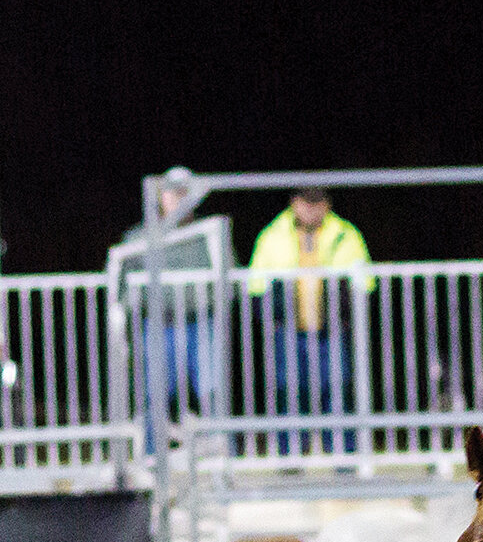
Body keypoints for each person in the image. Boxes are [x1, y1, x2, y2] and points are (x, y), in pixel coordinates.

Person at [113, 166, 234, 452]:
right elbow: (123, 283)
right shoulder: (138, 237)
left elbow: (230, 279)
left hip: (200, 322)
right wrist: (129, 312)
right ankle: (152, 459)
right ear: (160, 196)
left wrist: (208, 302)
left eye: (184, 194)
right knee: (154, 394)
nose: (179, 200)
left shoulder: (210, 234)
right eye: (172, 193)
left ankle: (224, 459)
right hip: (156, 325)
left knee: (213, 390)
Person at [246, 188, 372, 456]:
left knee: (337, 390)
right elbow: (256, 287)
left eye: (317, 203)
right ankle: (290, 455)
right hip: (289, 332)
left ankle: (342, 455)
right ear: (294, 204)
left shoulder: (346, 234)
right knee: (289, 392)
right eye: (306, 203)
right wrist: (274, 321)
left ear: (327, 205)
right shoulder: (272, 235)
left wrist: (347, 319)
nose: (311, 209)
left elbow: (364, 285)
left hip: (332, 331)